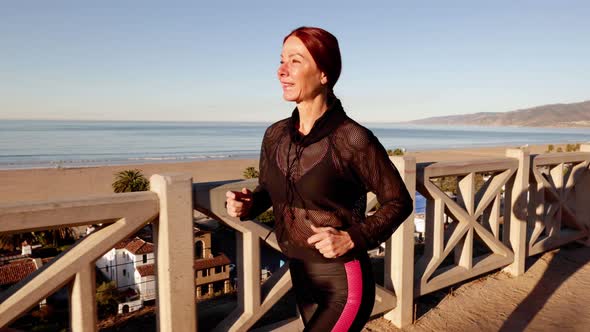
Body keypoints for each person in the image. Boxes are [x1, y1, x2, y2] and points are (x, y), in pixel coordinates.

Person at [226, 26, 413, 332]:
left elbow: (399, 201)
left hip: (344, 282)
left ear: (324, 74)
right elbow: (272, 192)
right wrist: (249, 204)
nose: (281, 70)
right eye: (281, 60)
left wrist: (354, 237)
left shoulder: (351, 138)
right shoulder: (275, 135)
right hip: (300, 274)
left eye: (295, 61)